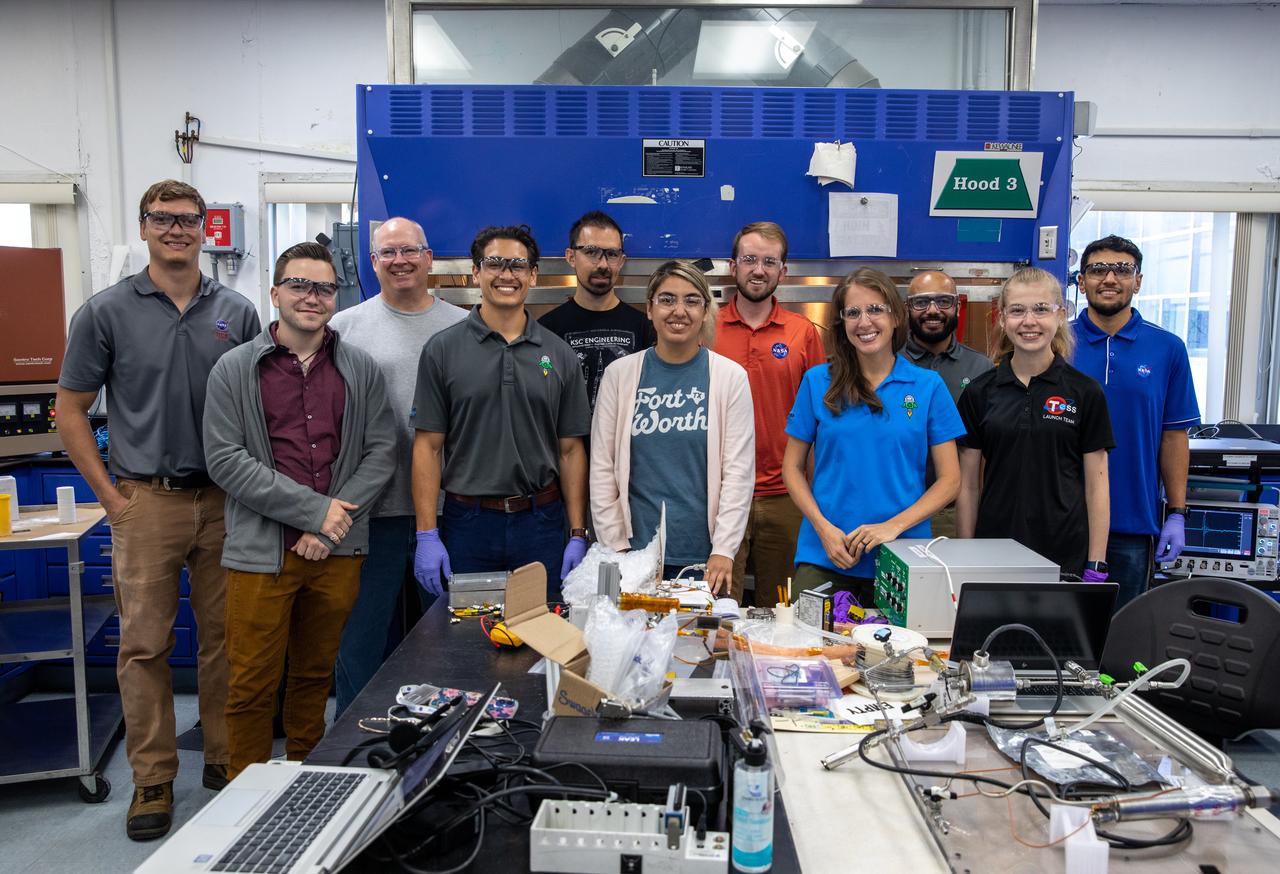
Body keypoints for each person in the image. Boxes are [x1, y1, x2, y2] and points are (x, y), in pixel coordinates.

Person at [56, 179, 260, 840]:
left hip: (226, 500)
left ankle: (226, 761)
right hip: (146, 500)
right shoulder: (106, 312)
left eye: (188, 219)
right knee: (144, 644)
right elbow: (70, 412)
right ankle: (153, 777)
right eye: (163, 219)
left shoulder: (237, 310)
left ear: (207, 228)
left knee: (228, 640)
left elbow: (261, 409)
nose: (177, 229)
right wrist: (112, 500)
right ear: (144, 227)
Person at [203, 242, 396, 779]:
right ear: (275, 293)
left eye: (324, 287)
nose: (312, 297)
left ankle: (303, 781)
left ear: (336, 295)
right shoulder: (233, 370)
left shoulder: (360, 369)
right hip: (261, 553)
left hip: (336, 552)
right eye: (299, 285)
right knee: (251, 683)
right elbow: (225, 459)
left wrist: (331, 529)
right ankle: (246, 791)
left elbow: (381, 452)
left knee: (315, 676)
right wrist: (316, 514)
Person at [329, 217, 466, 716]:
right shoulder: (343, 330)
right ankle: (353, 746)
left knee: (447, 644)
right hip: (371, 513)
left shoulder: (462, 327)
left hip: (449, 513)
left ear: (429, 258)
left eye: (409, 250)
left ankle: (444, 748)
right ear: (372, 263)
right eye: (387, 253)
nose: (399, 261)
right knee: (361, 643)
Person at [412, 225, 591, 602]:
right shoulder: (442, 350)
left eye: (518, 265)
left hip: (541, 523)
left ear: (533, 275)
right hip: (469, 524)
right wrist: (426, 534)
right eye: (495, 263)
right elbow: (427, 447)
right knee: (464, 643)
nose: (506, 274)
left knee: (543, 641)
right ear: (476, 272)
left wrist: (577, 533)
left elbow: (571, 450)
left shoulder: (558, 355)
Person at [782, 268, 964, 604]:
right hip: (826, 555)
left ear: (896, 316)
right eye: (853, 312)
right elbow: (791, 468)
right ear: (842, 323)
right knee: (810, 651)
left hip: (903, 556)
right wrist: (824, 529)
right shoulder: (817, 381)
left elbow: (951, 480)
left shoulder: (927, 387)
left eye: (875, 309)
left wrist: (892, 527)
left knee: (903, 656)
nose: (864, 322)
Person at [592, 261, 754, 593]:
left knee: (700, 644)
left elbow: (738, 472)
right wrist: (616, 548)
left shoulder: (729, 377)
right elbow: (602, 468)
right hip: (634, 556)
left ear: (706, 311)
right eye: (667, 299)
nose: (679, 311)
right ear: (649, 308)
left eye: (692, 300)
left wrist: (724, 549)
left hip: (704, 560)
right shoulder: (620, 375)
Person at [956, 267, 1114, 579]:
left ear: (1060, 315)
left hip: (1065, 555)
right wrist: (965, 554)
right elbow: (968, 486)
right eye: (1017, 310)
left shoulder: (1085, 392)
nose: (1029, 321)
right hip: (993, 552)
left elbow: (1097, 486)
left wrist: (1096, 562)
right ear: (1002, 318)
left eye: (1041, 309)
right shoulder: (979, 392)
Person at [1071, 235, 1200, 608]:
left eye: (1122, 269)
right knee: (1056, 645)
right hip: (1064, 520)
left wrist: (1176, 513)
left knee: (1121, 642)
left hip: (1133, 522)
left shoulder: (1168, 349)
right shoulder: (1057, 344)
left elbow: (1174, 436)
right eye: (1097, 269)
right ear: (1081, 281)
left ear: (1138, 281)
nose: (1109, 278)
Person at [713, 221, 825, 603]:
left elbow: (819, 421)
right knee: (719, 608)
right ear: (733, 266)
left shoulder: (803, 332)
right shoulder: (706, 328)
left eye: (769, 261)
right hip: (721, 493)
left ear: (783, 270)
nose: (758, 270)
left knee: (782, 608)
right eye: (749, 259)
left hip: (786, 495)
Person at [901, 270, 993, 538]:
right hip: (898, 510)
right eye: (921, 302)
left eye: (943, 301)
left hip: (959, 511)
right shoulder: (888, 366)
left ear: (957, 306)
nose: (933, 310)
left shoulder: (981, 368)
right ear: (907, 308)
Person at [540, 211, 655, 411]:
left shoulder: (644, 328)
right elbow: (543, 387)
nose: (602, 264)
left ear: (621, 260)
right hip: (567, 441)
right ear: (571, 257)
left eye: (611, 254)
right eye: (591, 252)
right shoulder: (546, 329)